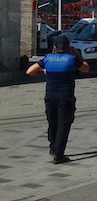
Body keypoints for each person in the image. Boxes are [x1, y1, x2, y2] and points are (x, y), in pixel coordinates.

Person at [26, 36, 90, 164]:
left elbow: (29, 71)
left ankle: (53, 147)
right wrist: (77, 54)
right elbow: (86, 68)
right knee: (63, 125)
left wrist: (45, 71)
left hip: (50, 97)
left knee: (52, 123)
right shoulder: (72, 59)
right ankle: (58, 154)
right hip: (65, 97)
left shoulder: (48, 58)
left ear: (55, 46)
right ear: (68, 47)